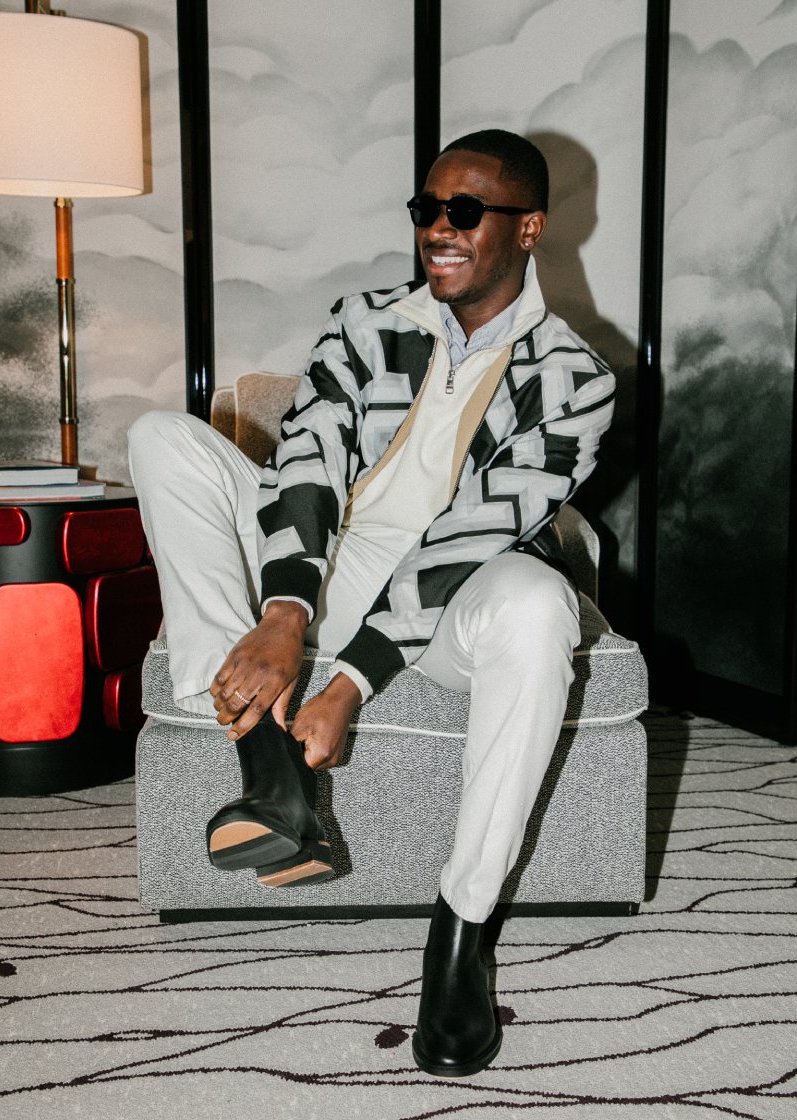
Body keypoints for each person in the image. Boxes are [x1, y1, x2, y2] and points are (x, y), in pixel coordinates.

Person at [128, 129, 615, 1077]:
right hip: (334, 557)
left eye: (464, 211)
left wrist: (348, 682)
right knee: (161, 439)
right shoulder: (365, 321)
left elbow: (471, 536)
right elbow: (307, 460)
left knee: (539, 606)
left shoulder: (575, 381)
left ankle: (461, 934)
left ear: (528, 227)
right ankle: (268, 764)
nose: (438, 228)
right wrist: (286, 613)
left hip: (450, 592)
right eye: (427, 208)